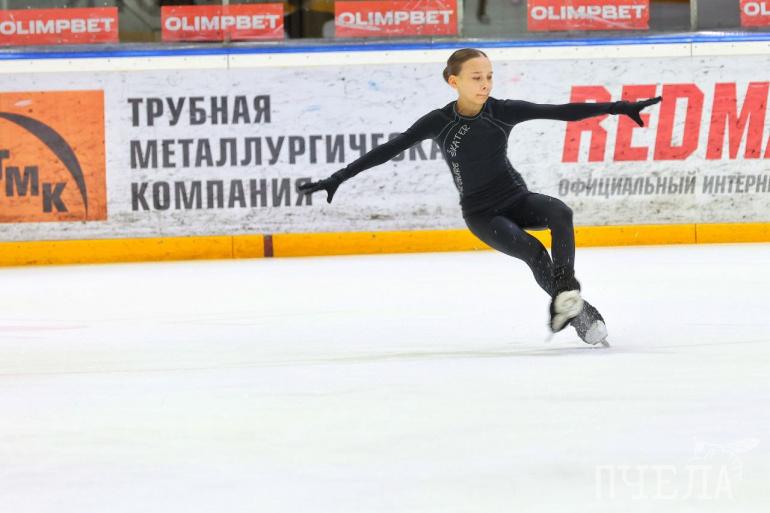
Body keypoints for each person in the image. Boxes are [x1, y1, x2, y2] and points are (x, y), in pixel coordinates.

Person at [298, 48, 661, 345]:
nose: (485, 83)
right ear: (453, 81)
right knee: (534, 251)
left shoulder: (502, 111)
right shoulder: (439, 122)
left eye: (489, 76)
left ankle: (566, 290)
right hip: (483, 215)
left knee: (560, 212)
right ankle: (581, 314)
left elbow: (560, 112)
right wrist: (338, 178)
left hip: (516, 198)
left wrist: (616, 107)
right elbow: (389, 149)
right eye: (476, 77)